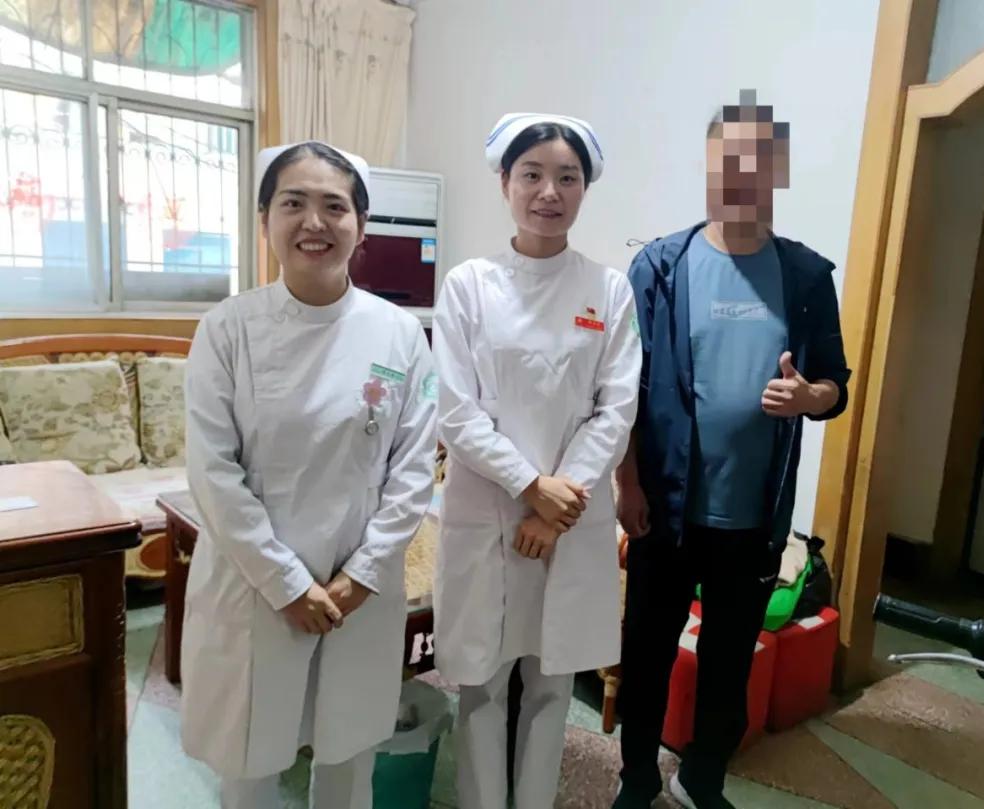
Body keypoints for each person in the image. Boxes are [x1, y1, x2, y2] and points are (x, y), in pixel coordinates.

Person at [180, 140, 437, 809]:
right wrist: (286, 582)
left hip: (359, 588)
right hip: (254, 584)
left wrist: (360, 576)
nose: (314, 222)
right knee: (250, 760)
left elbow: (414, 469)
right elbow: (212, 471)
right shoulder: (226, 330)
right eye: (293, 203)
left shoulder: (399, 333)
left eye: (335, 206)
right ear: (264, 218)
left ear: (362, 225)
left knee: (348, 757)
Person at [613, 90, 851, 809]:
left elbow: (836, 385)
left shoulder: (805, 277)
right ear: (709, 166)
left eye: (758, 163)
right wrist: (628, 484)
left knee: (727, 662)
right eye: (729, 161)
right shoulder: (660, 266)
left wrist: (809, 397)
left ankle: (702, 778)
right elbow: (623, 388)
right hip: (664, 508)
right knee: (647, 653)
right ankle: (636, 778)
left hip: (753, 517)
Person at [433, 112, 641, 809]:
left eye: (567, 177)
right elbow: (455, 410)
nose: (549, 191)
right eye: (532, 175)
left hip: (569, 521)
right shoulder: (468, 285)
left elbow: (616, 409)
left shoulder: (608, 290)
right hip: (488, 513)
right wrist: (530, 485)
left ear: (584, 189)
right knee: (482, 683)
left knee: (552, 683)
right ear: (505, 182)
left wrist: (557, 504)